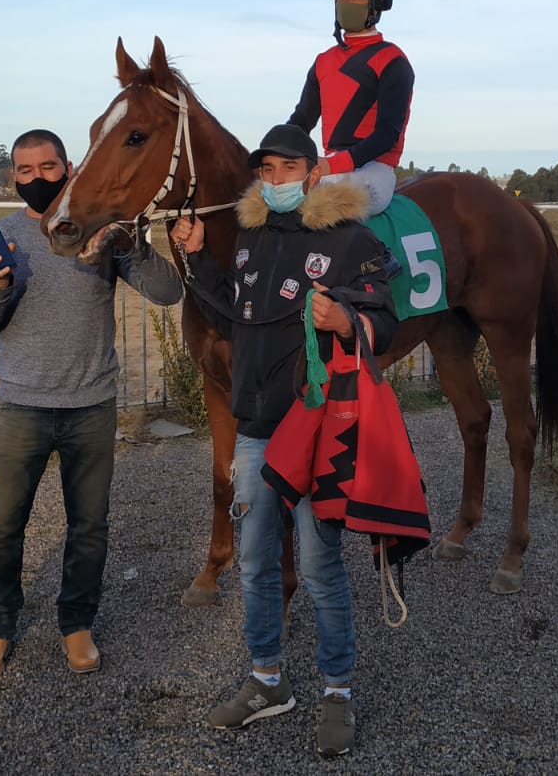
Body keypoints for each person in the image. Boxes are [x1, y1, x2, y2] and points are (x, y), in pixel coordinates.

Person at [169, 124, 398, 758]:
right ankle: (268, 680)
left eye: (286, 168)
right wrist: (193, 258)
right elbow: (230, 314)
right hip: (254, 433)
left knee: (321, 565)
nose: (274, 180)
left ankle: (337, 690)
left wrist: (349, 318)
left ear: (315, 170)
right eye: (265, 170)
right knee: (253, 562)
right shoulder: (249, 236)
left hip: (314, 429)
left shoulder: (351, 240)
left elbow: (387, 317)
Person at [0, 129, 184, 680]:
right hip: (19, 407)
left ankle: (77, 624)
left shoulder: (101, 235)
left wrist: (133, 243)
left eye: (49, 166)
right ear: (13, 176)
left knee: (89, 526)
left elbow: (167, 292)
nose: (38, 178)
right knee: (3, 525)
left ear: (70, 167)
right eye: (26, 170)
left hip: (90, 407)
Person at [287, 0, 415, 217]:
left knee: (322, 197)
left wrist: (333, 166)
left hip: (374, 170)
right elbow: (301, 121)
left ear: (375, 5)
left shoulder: (393, 60)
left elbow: (386, 135)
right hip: (330, 167)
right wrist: (272, 153)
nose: (345, 3)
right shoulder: (323, 61)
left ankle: (377, 260)